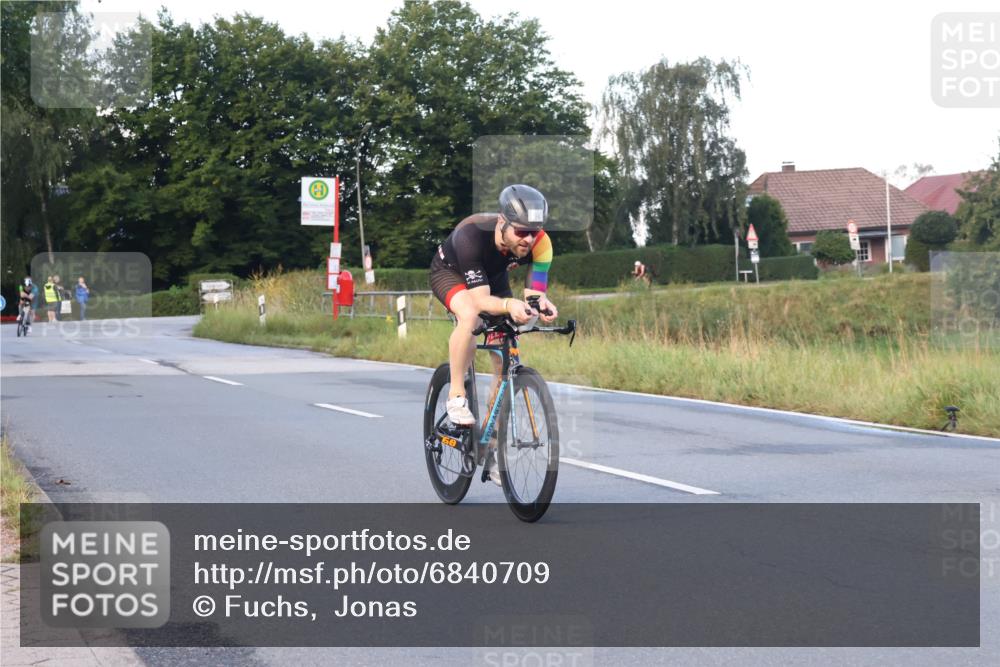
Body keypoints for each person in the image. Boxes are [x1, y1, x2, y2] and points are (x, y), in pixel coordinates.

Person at [429, 185, 559, 482]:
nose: (528, 239)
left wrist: (540, 304)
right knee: (471, 315)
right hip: (450, 272)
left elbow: (534, 291)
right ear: (503, 221)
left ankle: (489, 448)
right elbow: (478, 300)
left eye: (534, 233)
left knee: (506, 360)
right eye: (522, 232)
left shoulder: (542, 243)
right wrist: (508, 304)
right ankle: (456, 396)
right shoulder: (472, 234)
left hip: (493, 279)